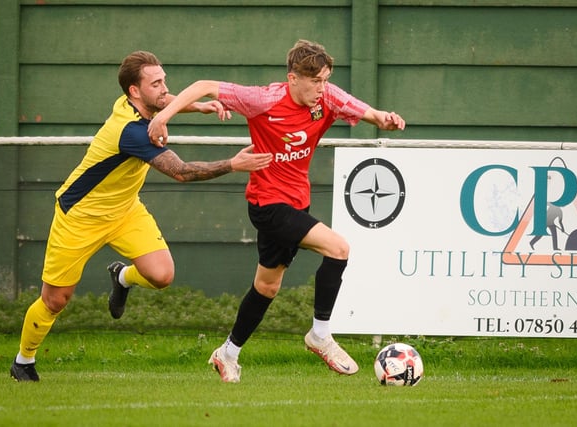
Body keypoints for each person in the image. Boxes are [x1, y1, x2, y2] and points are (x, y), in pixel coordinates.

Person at [147, 39, 405, 383]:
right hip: (267, 204)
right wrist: (163, 116)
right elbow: (204, 86)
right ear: (293, 78)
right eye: (315, 81)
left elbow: (365, 111)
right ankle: (320, 335)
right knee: (339, 248)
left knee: (267, 287)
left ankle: (228, 353)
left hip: (296, 202)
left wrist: (383, 119)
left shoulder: (327, 98)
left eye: (325, 80)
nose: (321, 88)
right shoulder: (263, 99)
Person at [9, 51, 273, 382]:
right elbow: (182, 171)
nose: (165, 88)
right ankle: (24, 361)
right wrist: (234, 164)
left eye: (165, 80)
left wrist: (199, 105)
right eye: (156, 83)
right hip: (79, 216)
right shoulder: (130, 131)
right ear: (135, 91)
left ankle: (121, 278)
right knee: (55, 300)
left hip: (126, 210)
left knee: (162, 275)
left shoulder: (140, 104)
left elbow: (164, 102)